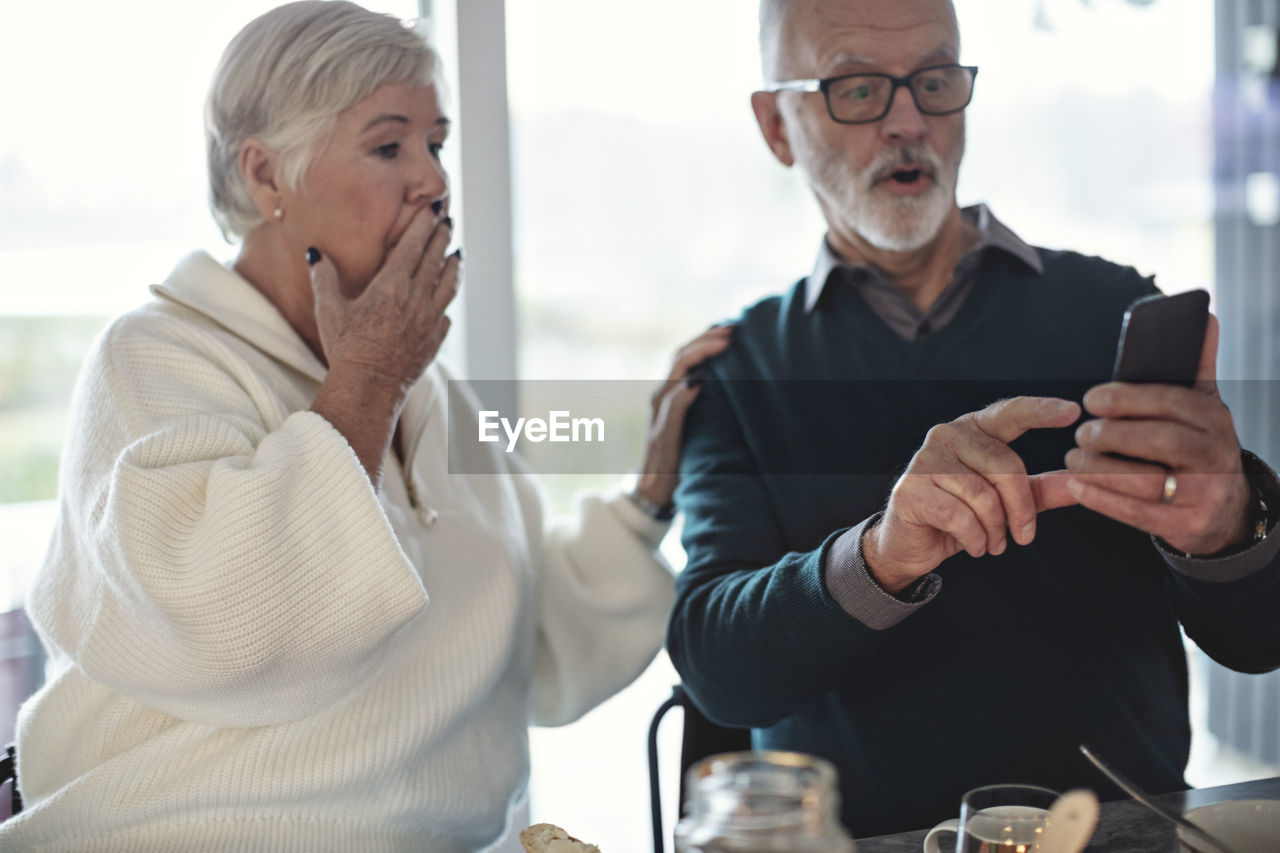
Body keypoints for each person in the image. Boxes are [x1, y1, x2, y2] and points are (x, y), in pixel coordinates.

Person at [0, 2, 731, 850]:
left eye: (437, 143)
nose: (433, 180)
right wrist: (369, 378)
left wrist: (648, 493)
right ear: (266, 176)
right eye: (389, 146)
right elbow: (233, 618)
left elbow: (536, 642)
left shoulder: (433, 396)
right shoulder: (156, 359)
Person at [667, 0, 1280, 839]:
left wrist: (1225, 525)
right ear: (777, 125)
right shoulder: (736, 372)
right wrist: (879, 557)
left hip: (1115, 835)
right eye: (857, 90)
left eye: (935, 79)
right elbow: (717, 669)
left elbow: (1261, 635)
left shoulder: (1115, 310)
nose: (908, 121)